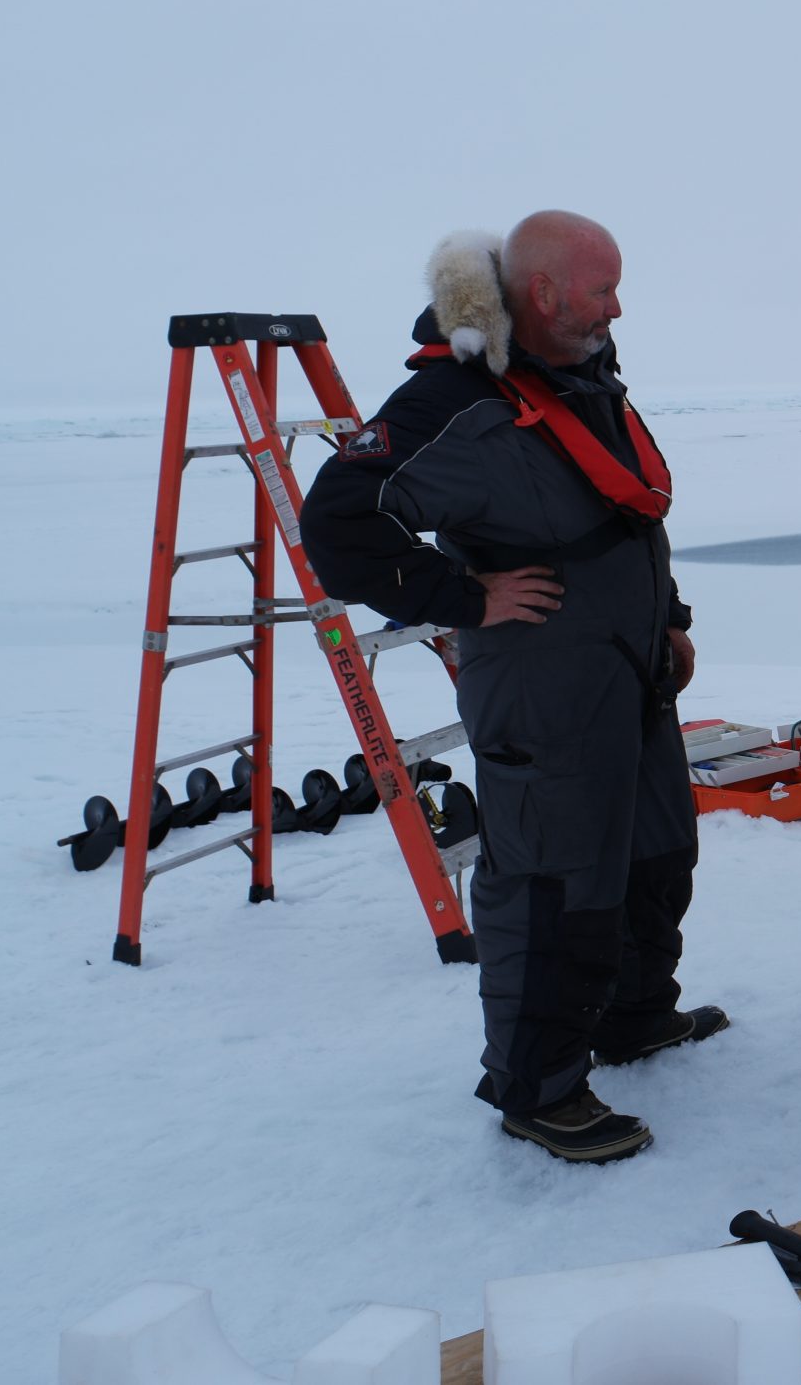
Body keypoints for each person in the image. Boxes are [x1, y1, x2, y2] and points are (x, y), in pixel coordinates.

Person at [301, 211, 723, 1165]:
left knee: (656, 850)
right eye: (601, 288)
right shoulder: (452, 398)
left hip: (628, 659)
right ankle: (538, 1087)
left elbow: (620, 505)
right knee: (551, 879)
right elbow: (337, 520)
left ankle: (629, 1015)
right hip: (541, 676)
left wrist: (670, 616)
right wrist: (460, 595)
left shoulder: (581, 366)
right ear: (541, 295)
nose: (619, 305)